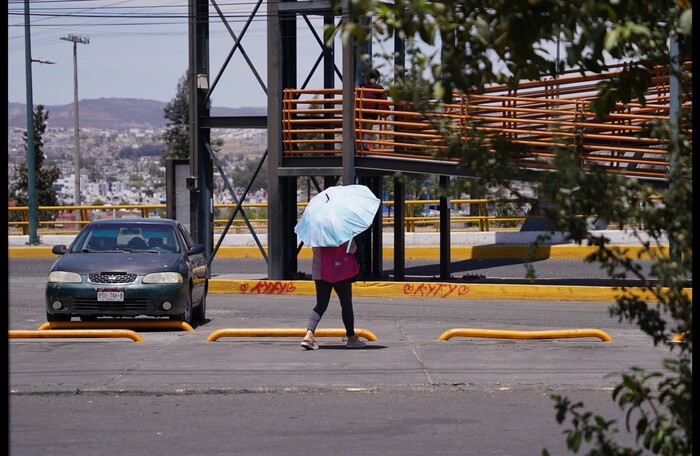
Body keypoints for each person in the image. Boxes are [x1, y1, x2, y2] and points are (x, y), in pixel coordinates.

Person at [301, 238, 366, 350]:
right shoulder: (342, 231)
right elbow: (352, 249)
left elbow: (316, 251)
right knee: (346, 304)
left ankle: (309, 334)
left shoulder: (317, 233)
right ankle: (351, 337)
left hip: (321, 272)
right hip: (341, 272)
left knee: (320, 305)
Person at [358, 69, 389, 150]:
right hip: (373, 110)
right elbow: (384, 98)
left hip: (363, 109)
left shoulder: (363, 85)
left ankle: (360, 145)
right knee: (368, 128)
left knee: (363, 127)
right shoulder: (378, 87)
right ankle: (364, 145)